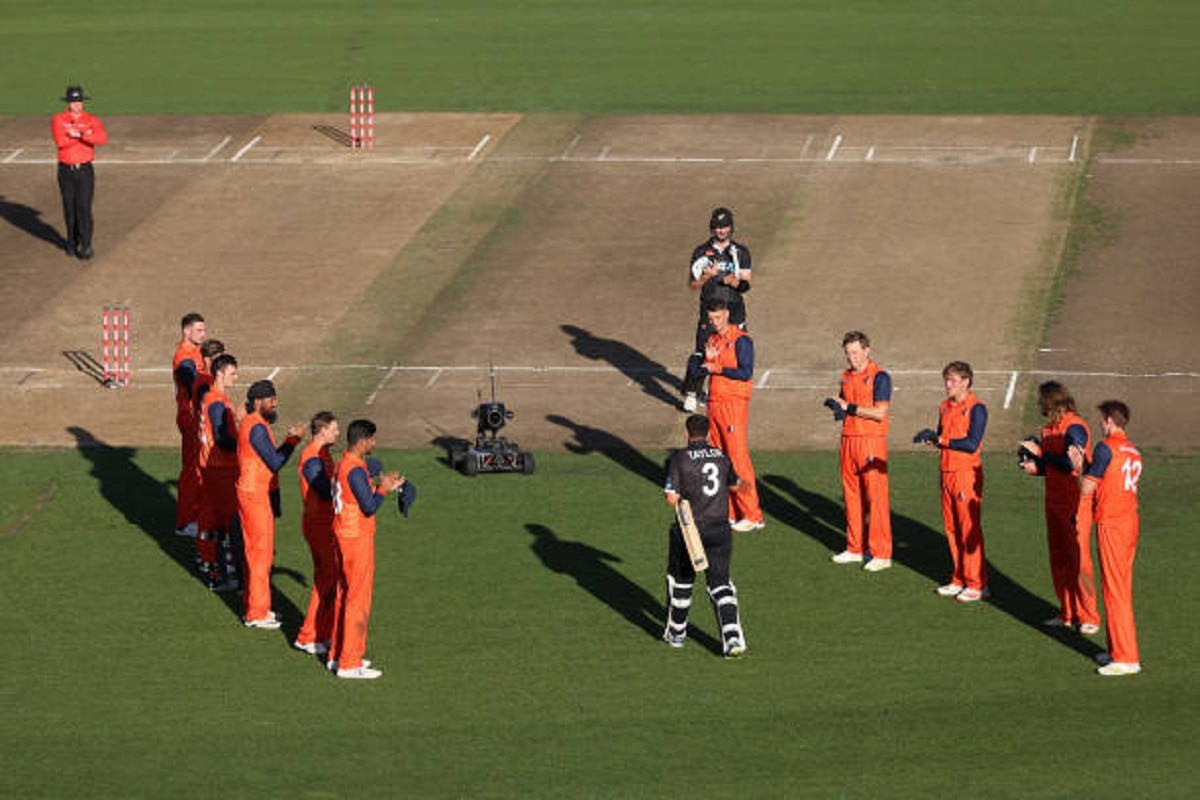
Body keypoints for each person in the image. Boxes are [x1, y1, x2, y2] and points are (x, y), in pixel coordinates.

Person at [662, 414, 748, 658]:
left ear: (687, 433)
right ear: (709, 433)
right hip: (720, 528)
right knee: (721, 585)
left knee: (681, 581)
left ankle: (677, 634)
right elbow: (734, 485)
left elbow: (671, 498)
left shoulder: (679, 458)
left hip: (690, 530)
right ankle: (732, 638)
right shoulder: (721, 456)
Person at [1018, 381, 1100, 634]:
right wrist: (1036, 468)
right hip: (1053, 501)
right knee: (1059, 559)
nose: (1038, 405)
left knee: (1079, 561)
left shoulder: (1074, 427)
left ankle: (1089, 616)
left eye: (1041, 401)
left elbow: (1069, 464)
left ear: (1051, 402)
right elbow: (1051, 466)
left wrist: (1041, 454)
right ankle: (1067, 612)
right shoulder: (1048, 429)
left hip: (1076, 504)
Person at [329, 419, 404, 679]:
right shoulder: (354, 469)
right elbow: (369, 506)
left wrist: (383, 486)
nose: (374, 443)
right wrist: (383, 489)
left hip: (342, 534)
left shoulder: (345, 463)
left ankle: (338, 655)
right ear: (362, 440)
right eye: (372, 439)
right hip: (355, 538)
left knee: (344, 595)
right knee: (357, 600)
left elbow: (357, 495)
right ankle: (350, 663)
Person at [914, 361, 989, 602]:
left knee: (968, 530)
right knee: (952, 529)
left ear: (966, 381)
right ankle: (960, 579)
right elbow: (942, 436)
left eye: (953, 380)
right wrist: (932, 439)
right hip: (946, 473)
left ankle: (978, 584)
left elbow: (971, 443)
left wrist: (942, 440)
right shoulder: (945, 407)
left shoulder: (977, 408)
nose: (948, 385)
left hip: (966, 475)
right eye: (946, 380)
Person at [1079, 401, 1144, 676]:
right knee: (1119, 586)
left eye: (1101, 420)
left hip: (1113, 524)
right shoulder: (1133, 451)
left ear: (1108, 421)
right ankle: (1118, 650)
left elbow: (1087, 487)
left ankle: (1127, 658)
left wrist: (1078, 468)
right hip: (1129, 521)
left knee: (1115, 590)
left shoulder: (1106, 448)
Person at [236, 381, 305, 629]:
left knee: (259, 552)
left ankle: (258, 607)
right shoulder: (255, 428)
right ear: (257, 402)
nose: (275, 403)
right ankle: (256, 613)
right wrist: (293, 440)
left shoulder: (257, 424)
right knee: (259, 554)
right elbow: (274, 462)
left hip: (255, 492)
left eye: (275, 398)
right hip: (254, 495)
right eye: (270, 399)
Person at [826, 331, 893, 571]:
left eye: (855, 352)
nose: (851, 358)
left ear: (867, 350)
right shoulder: (845, 377)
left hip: (871, 442)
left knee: (875, 498)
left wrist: (850, 407)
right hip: (849, 440)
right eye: (848, 353)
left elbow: (879, 412)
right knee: (851, 496)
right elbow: (846, 407)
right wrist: (838, 409)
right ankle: (855, 548)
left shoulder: (880, 377)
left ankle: (881, 553)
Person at [701, 298, 764, 531]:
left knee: (737, 459)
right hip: (714, 403)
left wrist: (717, 367)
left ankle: (752, 515)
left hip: (733, 405)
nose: (715, 323)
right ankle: (730, 511)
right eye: (711, 319)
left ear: (727, 314)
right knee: (720, 460)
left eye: (718, 317)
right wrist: (708, 361)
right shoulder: (712, 340)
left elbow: (745, 372)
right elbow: (710, 370)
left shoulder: (742, 341)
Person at [682, 207, 753, 412]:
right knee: (702, 350)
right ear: (712, 228)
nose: (721, 230)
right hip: (711, 309)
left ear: (731, 227)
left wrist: (734, 282)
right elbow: (692, 285)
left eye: (725, 226)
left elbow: (747, 284)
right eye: (718, 227)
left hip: (734, 309)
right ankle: (692, 392)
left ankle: (730, 388)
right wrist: (706, 275)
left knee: (738, 350)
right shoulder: (701, 252)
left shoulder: (740, 252)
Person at [294, 411, 341, 655]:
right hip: (318, 525)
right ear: (322, 431)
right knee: (326, 578)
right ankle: (308, 635)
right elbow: (324, 490)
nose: (337, 433)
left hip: (325, 523)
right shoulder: (312, 458)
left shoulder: (323, 454)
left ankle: (320, 634)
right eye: (334, 429)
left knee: (327, 579)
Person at [197, 353, 241, 592]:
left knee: (216, 525)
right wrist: (245, 444)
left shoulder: (212, 398)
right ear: (221, 372)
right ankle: (228, 573)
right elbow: (222, 438)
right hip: (221, 469)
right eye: (233, 373)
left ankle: (217, 573)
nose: (236, 377)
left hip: (211, 468)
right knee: (231, 524)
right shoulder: (216, 402)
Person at [50, 86, 108, 260]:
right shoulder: (59, 119)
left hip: (84, 170)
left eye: (79, 101)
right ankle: (71, 242)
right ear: (68, 102)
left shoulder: (91, 119)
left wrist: (80, 134)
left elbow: (102, 138)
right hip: (66, 171)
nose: (77, 104)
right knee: (69, 208)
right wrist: (81, 135)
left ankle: (86, 244)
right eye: (74, 101)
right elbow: (60, 142)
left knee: (83, 207)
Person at [172, 313, 207, 538]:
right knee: (191, 471)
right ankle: (186, 522)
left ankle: (193, 515)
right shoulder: (184, 357)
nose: (203, 334)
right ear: (186, 331)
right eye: (199, 330)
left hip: (195, 417)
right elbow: (192, 382)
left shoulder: (195, 352)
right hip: (189, 417)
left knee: (197, 469)